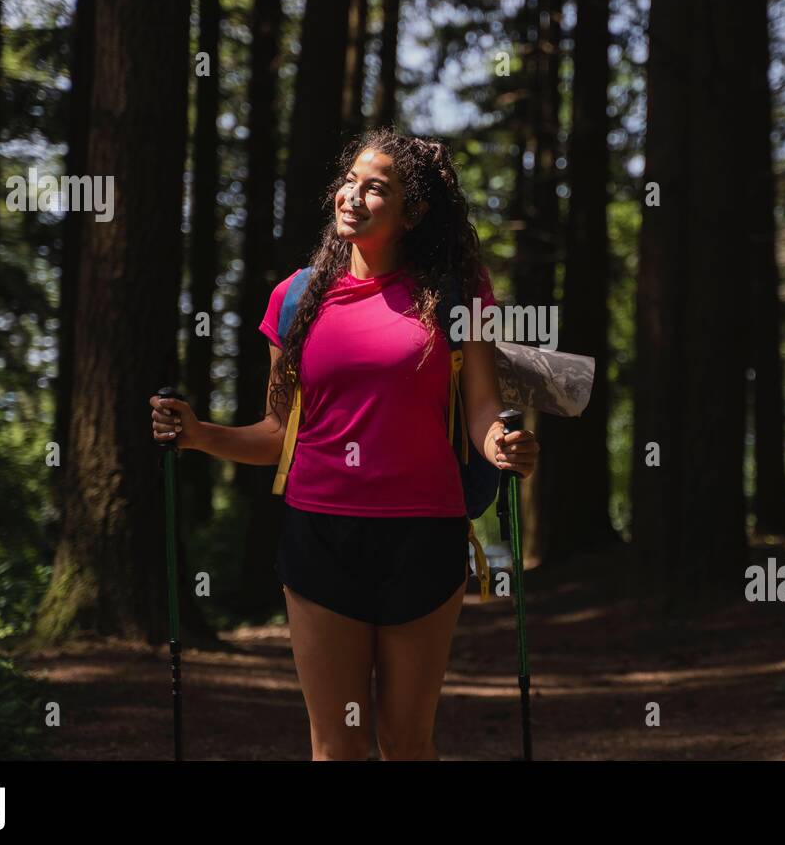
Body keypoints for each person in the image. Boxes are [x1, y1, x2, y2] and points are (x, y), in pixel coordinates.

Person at [149, 127, 539, 760]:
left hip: (424, 535)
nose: (352, 195)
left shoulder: (456, 293)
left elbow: (483, 410)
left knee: (406, 740)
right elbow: (279, 435)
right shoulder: (298, 297)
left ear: (414, 213)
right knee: (337, 744)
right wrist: (198, 434)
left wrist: (502, 443)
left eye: (375, 187)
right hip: (319, 537)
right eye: (349, 181)